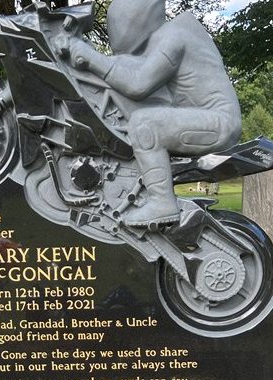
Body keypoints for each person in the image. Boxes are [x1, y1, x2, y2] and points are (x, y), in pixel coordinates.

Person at [65, 0, 241, 228]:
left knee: (145, 125)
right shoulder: (168, 35)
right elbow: (126, 66)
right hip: (202, 118)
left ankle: (162, 202)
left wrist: (90, 57)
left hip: (218, 122)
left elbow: (138, 84)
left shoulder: (175, 35)